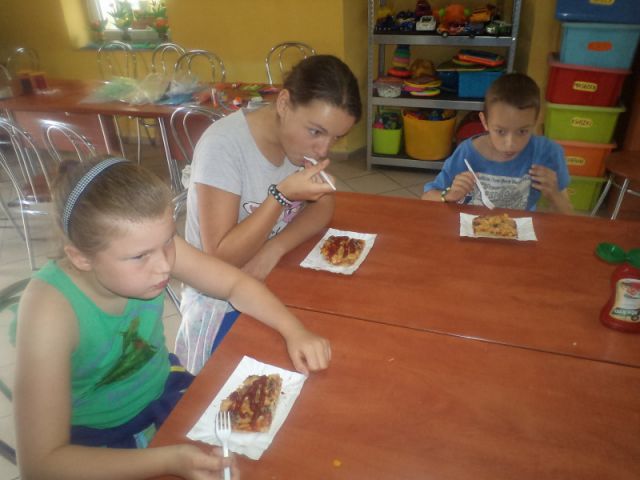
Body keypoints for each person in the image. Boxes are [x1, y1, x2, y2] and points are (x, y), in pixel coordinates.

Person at [14, 158, 331, 479]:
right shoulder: (48, 313)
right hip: (95, 443)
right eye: (140, 257)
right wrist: (168, 461)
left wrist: (294, 330)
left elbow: (235, 284)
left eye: (168, 240)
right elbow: (41, 465)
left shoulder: (148, 243)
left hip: (163, 391)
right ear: (81, 257)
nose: (165, 266)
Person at [178, 54, 362, 372]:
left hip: (273, 276)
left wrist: (274, 249)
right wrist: (281, 196)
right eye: (316, 132)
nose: (323, 150)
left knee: (345, 338)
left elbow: (325, 204)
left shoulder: (298, 145)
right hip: (218, 300)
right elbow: (221, 257)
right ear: (284, 103)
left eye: (335, 138)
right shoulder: (223, 146)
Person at [421, 72, 572, 214]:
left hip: (519, 229)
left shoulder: (547, 152)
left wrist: (554, 194)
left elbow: (568, 216)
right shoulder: (467, 152)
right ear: (484, 122)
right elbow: (427, 197)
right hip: (472, 227)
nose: (510, 144)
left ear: (535, 121)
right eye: (500, 131)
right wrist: (449, 195)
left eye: (522, 131)